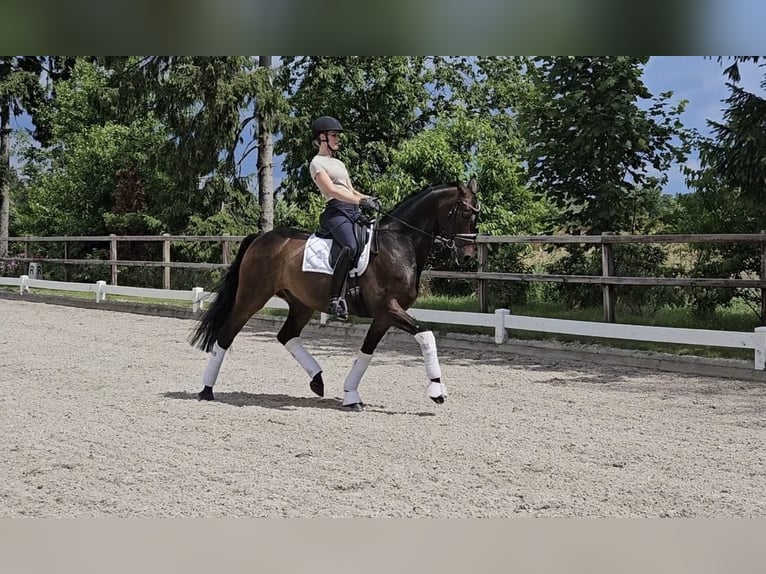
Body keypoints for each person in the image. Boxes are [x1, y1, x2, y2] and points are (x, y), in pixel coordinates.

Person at [309, 116, 381, 321]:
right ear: (322, 138)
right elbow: (331, 190)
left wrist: (367, 198)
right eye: (334, 135)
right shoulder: (317, 163)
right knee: (349, 245)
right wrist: (359, 202)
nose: (338, 139)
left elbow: (350, 189)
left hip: (351, 209)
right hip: (335, 212)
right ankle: (334, 300)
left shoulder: (338, 163)